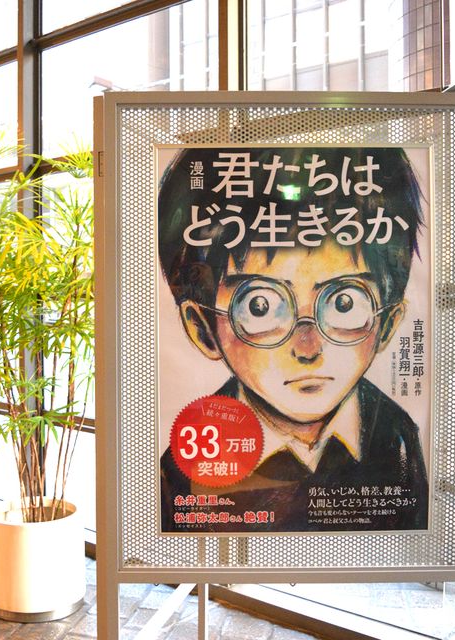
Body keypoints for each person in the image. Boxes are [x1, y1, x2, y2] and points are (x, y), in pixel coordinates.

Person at [157, 146, 429, 533]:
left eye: (344, 302)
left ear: (386, 323)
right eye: (260, 307)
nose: (308, 348)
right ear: (203, 329)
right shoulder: (184, 468)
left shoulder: (399, 438)